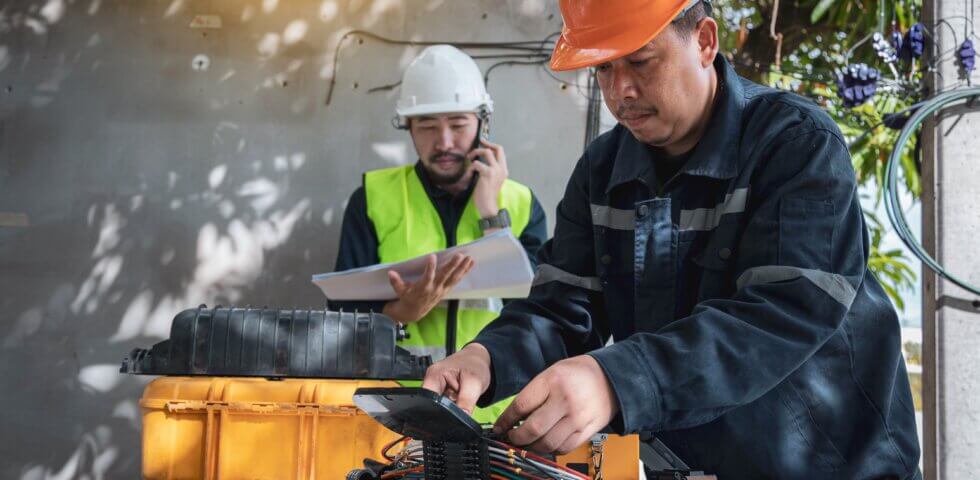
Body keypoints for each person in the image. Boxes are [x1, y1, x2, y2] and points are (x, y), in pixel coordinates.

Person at [421, 1, 921, 478]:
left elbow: (782, 312)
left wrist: (616, 380)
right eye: (603, 69)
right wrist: (486, 358)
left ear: (704, 41)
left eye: (640, 61)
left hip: (833, 468)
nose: (621, 92)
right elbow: (561, 310)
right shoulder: (602, 169)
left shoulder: (795, 144)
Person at [330, 45, 548, 424]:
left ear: (483, 124)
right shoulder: (373, 199)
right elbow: (339, 319)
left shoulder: (522, 202)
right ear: (408, 128)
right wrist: (400, 314)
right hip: (397, 414)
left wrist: (491, 216)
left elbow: (540, 312)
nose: (444, 141)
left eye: (458, 124)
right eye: (427, 125)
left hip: (496, 417)